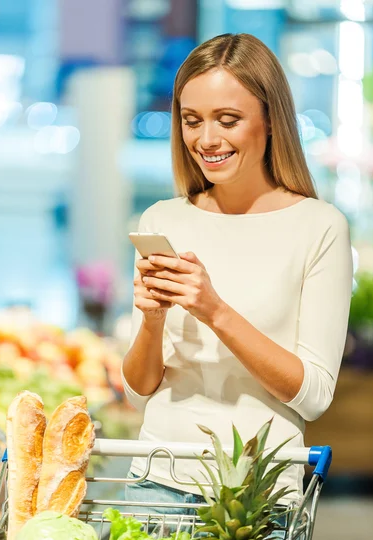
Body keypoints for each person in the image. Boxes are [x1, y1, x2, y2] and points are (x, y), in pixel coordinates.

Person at [121, 33, 353, 513]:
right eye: (192, 121)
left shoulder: (319, 226)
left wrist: (214, 310)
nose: (207, 140)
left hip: (256, 496)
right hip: (155, 479)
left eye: (228, 120)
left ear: (270, 120)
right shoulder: (162, 220)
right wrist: (152, 320)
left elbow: (312, 396)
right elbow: (139, 389)